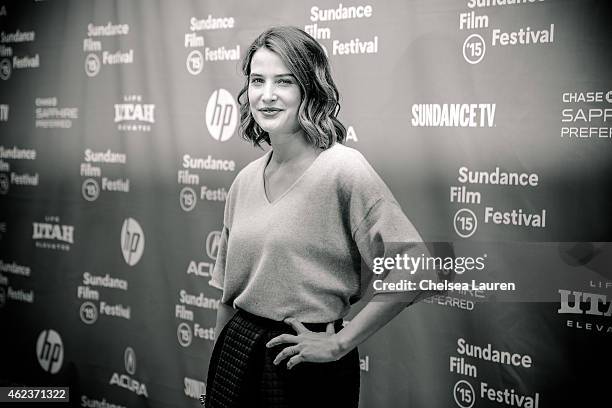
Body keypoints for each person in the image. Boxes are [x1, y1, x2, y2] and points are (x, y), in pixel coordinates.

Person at [204, 26, 434, 408]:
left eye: (284, 81)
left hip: (304, 365)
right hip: (236, 354)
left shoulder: (344, 169)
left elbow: (418, 266)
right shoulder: (244, 181)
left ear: (309, 88)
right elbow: (228, 302)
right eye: (257, 80)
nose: (268, 95)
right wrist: (212, 385)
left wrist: (340, 342)